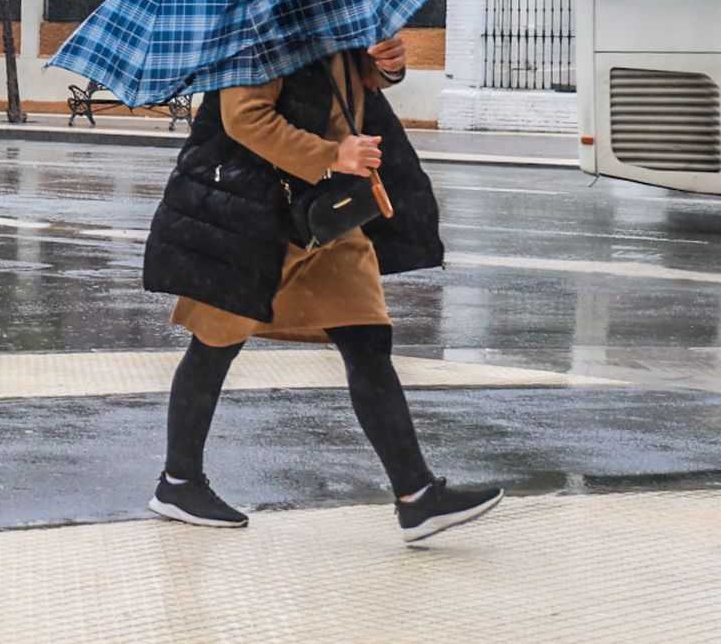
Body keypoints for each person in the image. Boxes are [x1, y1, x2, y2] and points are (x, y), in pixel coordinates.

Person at [141, 35, 503, 543]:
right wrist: (332, 154)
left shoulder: (329, 14)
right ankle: (179, 481)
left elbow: (341, 89)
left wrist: (383, 68)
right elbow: (244, 118)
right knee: (215, 341)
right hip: (250, 213)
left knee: (368, 340)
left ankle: (417, 496)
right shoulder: (260, 21)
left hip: (323, 212)